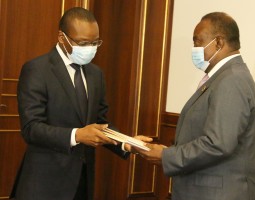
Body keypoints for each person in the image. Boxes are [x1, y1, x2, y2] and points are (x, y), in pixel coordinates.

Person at [10, 7, 151, 200]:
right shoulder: (37, 70)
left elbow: (101, 122)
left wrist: (127, 143)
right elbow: (31, 128)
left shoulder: (96, 74)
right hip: (43, 184)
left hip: (82, 182)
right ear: (62, 38)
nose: (90, 49)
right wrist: (77, 135)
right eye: (83, 43)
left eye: (95, 43)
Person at [132, 12, 255, 200]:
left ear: (219, 43)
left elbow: (218, 143)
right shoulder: (223, 77)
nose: (194, 48)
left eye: (197, 41)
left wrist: (167, 156)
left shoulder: (232, 80)